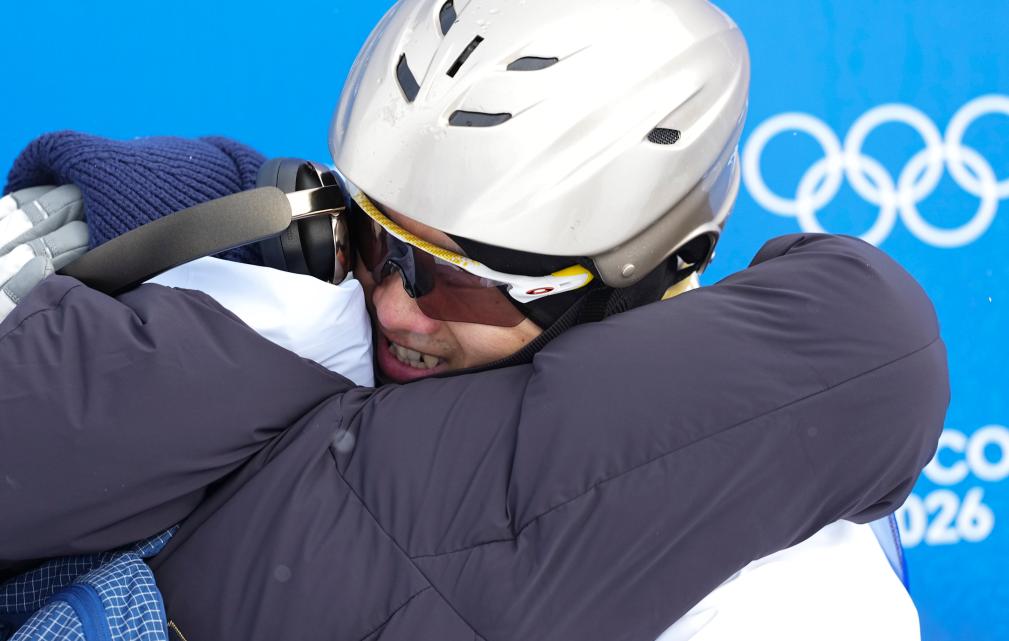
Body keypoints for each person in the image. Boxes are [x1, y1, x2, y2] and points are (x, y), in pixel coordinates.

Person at [0, 1, 946, 640]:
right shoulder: (318, 315)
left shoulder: (780, 591)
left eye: (462, 282)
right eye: (372, 236)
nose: (391, 302)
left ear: (648, 270)